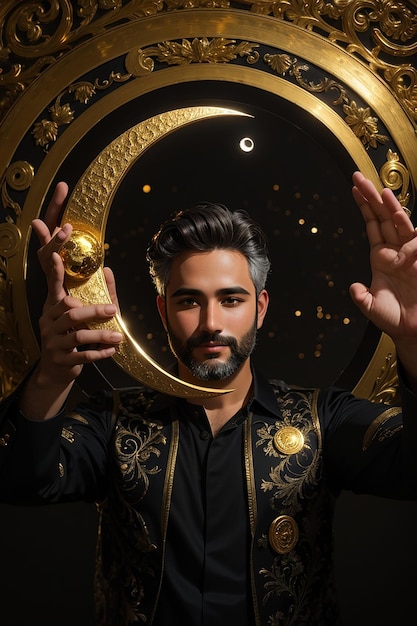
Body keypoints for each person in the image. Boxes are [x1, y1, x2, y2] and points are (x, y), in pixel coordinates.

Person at [0, 171, 417, 625]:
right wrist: (52, 374)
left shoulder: (324, 419)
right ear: (163, 311)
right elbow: (22, 479)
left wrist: (414, 341)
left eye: (231, 300)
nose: (211, 322)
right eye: (188, 301)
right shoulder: (115, 422)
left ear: (260, 308)